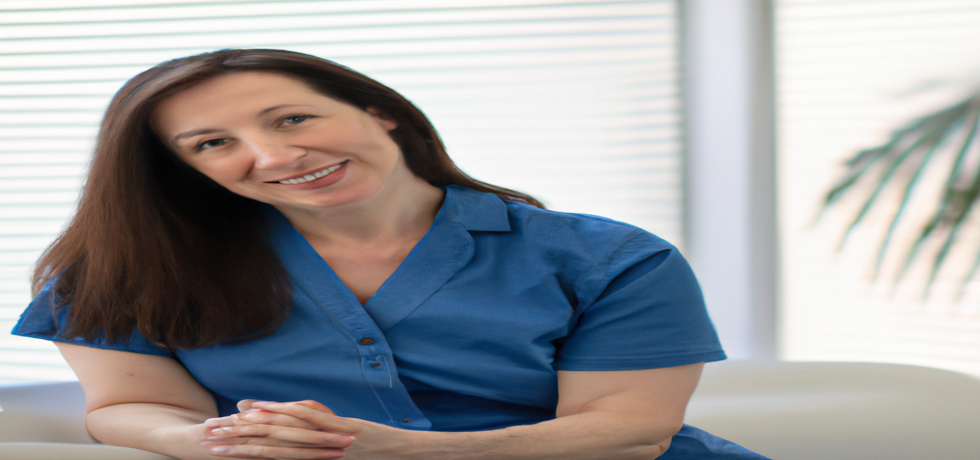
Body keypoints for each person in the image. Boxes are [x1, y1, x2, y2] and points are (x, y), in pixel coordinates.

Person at [13, 49, 768, 460]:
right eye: (213, 143)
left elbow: (629, 432)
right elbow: (129, 405)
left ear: (381, 114)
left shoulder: (612, 259)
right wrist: (214, 442)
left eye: (292, 118)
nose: (274, 155)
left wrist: (393, 451)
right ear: (184, 170)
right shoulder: (127, 270)